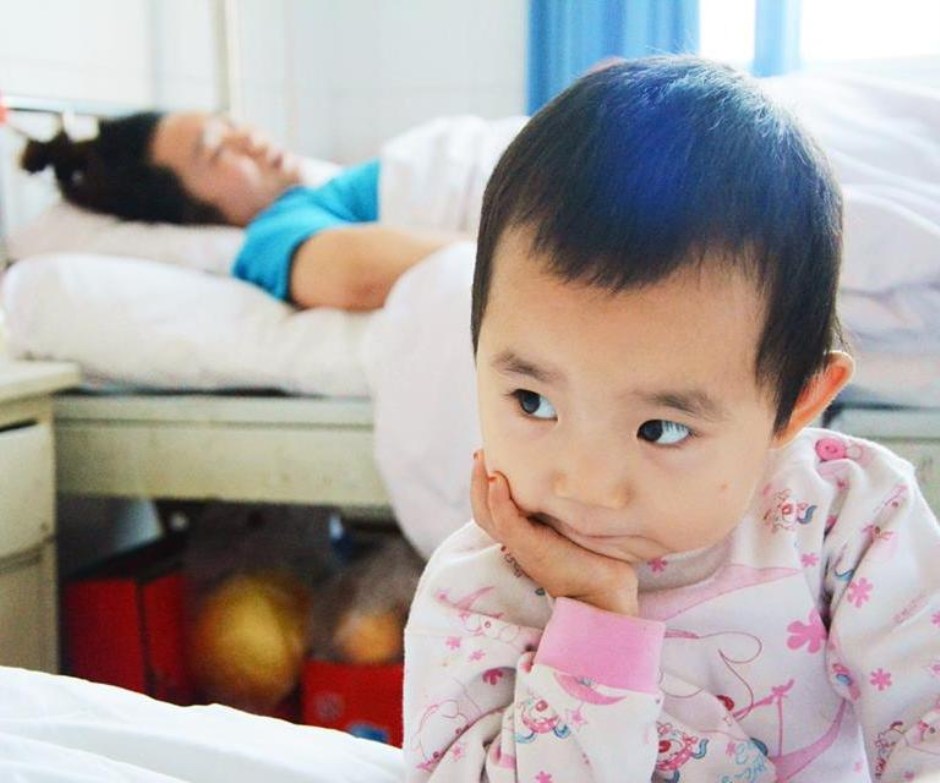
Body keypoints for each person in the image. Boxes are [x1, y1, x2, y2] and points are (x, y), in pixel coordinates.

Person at [402, 57, 940, 781]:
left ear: (798, 402)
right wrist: (595, 616)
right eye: (534, 402)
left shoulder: (846, 517)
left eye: (661, 428)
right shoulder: (479, 594)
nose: (586, 484)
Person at [20, 111, 463, 310]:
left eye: (230, 124)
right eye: (216, 151)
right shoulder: (277, 230)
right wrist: (529, 252)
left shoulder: (332, 186)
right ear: (192, 210)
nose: (248, 139)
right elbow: (351, 276)